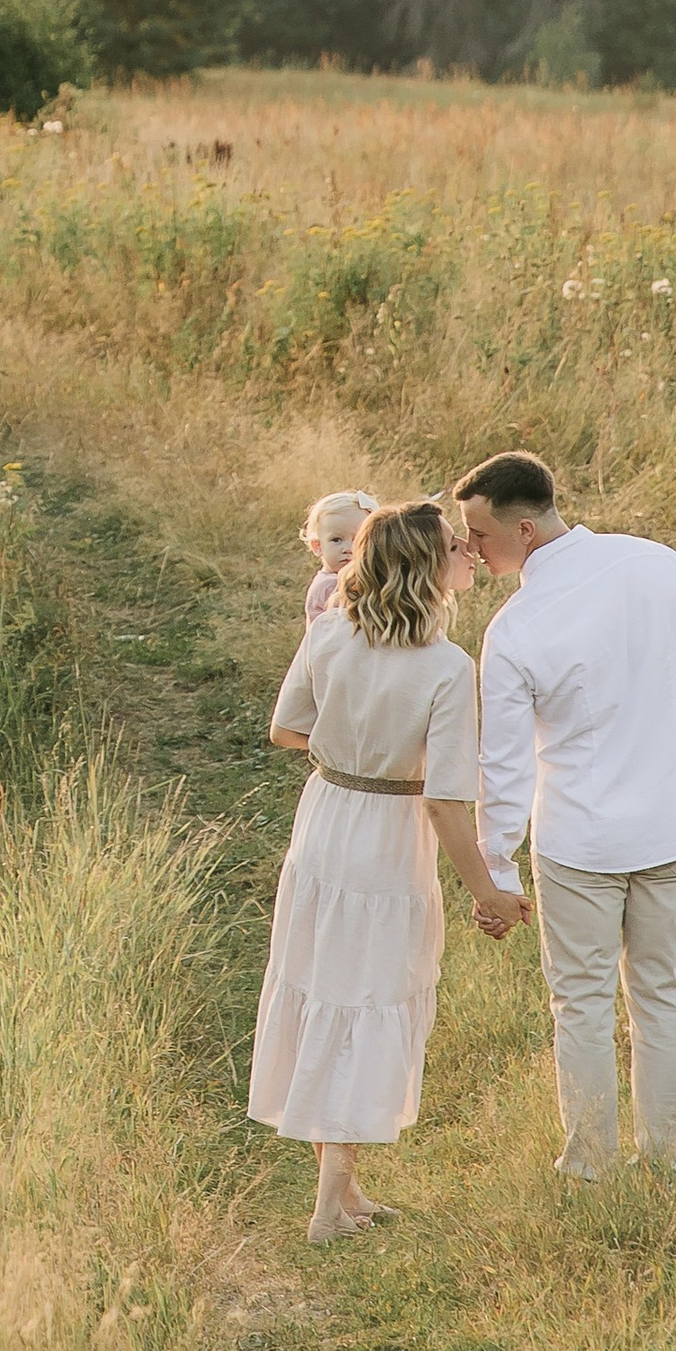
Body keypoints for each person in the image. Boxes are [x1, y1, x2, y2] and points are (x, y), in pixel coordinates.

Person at [454, 450, 676, 1182]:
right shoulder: (658, 563)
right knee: (662, 994)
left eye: (479, 535)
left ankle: (589, 1163)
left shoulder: (515, 629)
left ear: (523, 529)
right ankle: (668, 1159)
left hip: (580, 838)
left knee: (580, 1003)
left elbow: (507, 765)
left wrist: (496, 865)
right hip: (670, 822)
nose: (469, 549)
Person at [251, 498, 526, 1244]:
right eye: (454, 547)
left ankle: (345, 1193)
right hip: (388, 838)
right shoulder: (445, 668)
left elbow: (284, 728)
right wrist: (488, 893)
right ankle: (323, 1212)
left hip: (326, 819)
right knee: (365, 1002)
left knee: (323, 993)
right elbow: (444, 802)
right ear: (426, 567)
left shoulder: (330, 632)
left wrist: (346, 743)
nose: (469, 552)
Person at [298, 487, 378, 630]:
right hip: (331, 650)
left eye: (357, 540)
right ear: (318, 546)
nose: (348, 548)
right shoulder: (329, 586)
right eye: (336, 540)